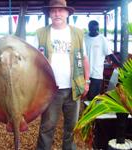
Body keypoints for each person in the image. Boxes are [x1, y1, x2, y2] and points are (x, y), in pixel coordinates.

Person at [34, 0, 90, 149]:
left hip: (74, 87)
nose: (57, 13)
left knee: (71, 127)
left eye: (60, 10)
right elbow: (34, 61)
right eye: (53, 10)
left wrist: (87, 81)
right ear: (49, 14)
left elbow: (84, 58)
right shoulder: (40, 33)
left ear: (67, 13)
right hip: (51, 89)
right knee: (47, 126)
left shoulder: (77, 33)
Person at [85, 20, 113, 101]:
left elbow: (109, 54)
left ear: (98, 29)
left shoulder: (102, 39)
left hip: (96, 74)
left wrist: (120, 64)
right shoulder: (84, 38)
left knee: (92, 96)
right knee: (85, 95)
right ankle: (87, 111)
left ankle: (92, 112)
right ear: (89, 28)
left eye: (96, 29)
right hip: (85, 73)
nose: (94, 31)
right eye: (92, 29)